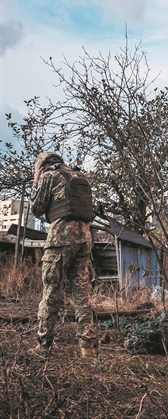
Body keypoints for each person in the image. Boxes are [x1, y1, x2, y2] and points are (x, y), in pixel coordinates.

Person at [29, 152, 98, 358]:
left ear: (42, 166)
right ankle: (87, 348)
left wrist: (36, 181)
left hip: (60, 240)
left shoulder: (49, 177)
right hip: (85, 239)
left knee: (51, 291)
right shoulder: (80, 178)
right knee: (82, 294)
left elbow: (36, 208)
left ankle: (43, 345)